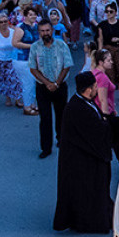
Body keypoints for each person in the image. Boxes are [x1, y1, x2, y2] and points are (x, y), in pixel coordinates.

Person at [53, 72, 119, 233]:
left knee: (91, 191)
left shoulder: (84, 102)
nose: (97, 89)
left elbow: (102, 119)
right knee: (88, 192)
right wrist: (113, 127)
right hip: (81, 161)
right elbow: (98, 129)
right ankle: (92, 222)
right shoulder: (77, 108)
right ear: (88, 89)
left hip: (85, 158)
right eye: (95, 86)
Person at [30, 19, 74, 159]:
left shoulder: (61, 45)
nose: (45, 33)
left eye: (47, 30)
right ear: (39, 32)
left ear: (52, 31)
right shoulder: (35, 47)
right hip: (42, 88)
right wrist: (47, 83)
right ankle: (46, 148)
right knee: (45, 118)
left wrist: (56, 83)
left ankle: (62, 140)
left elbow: (67, 65)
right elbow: (33, 68)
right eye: (42, 31)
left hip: (60, 87)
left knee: (62, 115)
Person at [89, 48, 119, 170]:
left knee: (115, 139)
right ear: (101, 62)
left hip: (103, 111)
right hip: (105, 113)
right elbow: (103, 99)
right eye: (108, 60)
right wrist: (107, 117)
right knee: (111, 139)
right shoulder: (102, 78)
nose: (112, 62)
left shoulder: (95, 73)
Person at [11, 6, 41, 116]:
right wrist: (31, 46)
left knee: (33, 83)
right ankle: (27, 107)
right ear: (25, 16)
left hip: (33, 59)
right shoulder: (20, 28)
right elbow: (15, 43)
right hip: (22, 59)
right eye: (30, 14)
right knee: (27, 83)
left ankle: (32, 105)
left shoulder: (36, 27)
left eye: (35, 14)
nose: (33, 16)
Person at [98, 3, 119, 102]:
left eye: (110, 11)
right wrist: (99, 53)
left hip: (118, 50)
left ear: (115, 13)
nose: (108, 13)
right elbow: (100, 39)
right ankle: (109, 95)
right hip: (107, 50)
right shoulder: (102, 25)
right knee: (109, 73)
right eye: (106, 11)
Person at [0, 13, 22, 108]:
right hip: (1, 60)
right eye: (1, 22)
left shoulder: (12, 31)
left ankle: (17, 99)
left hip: (13, 59)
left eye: (5, 21)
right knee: (5, 80)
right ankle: (8, 98)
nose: (3, 23)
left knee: (15, 79)